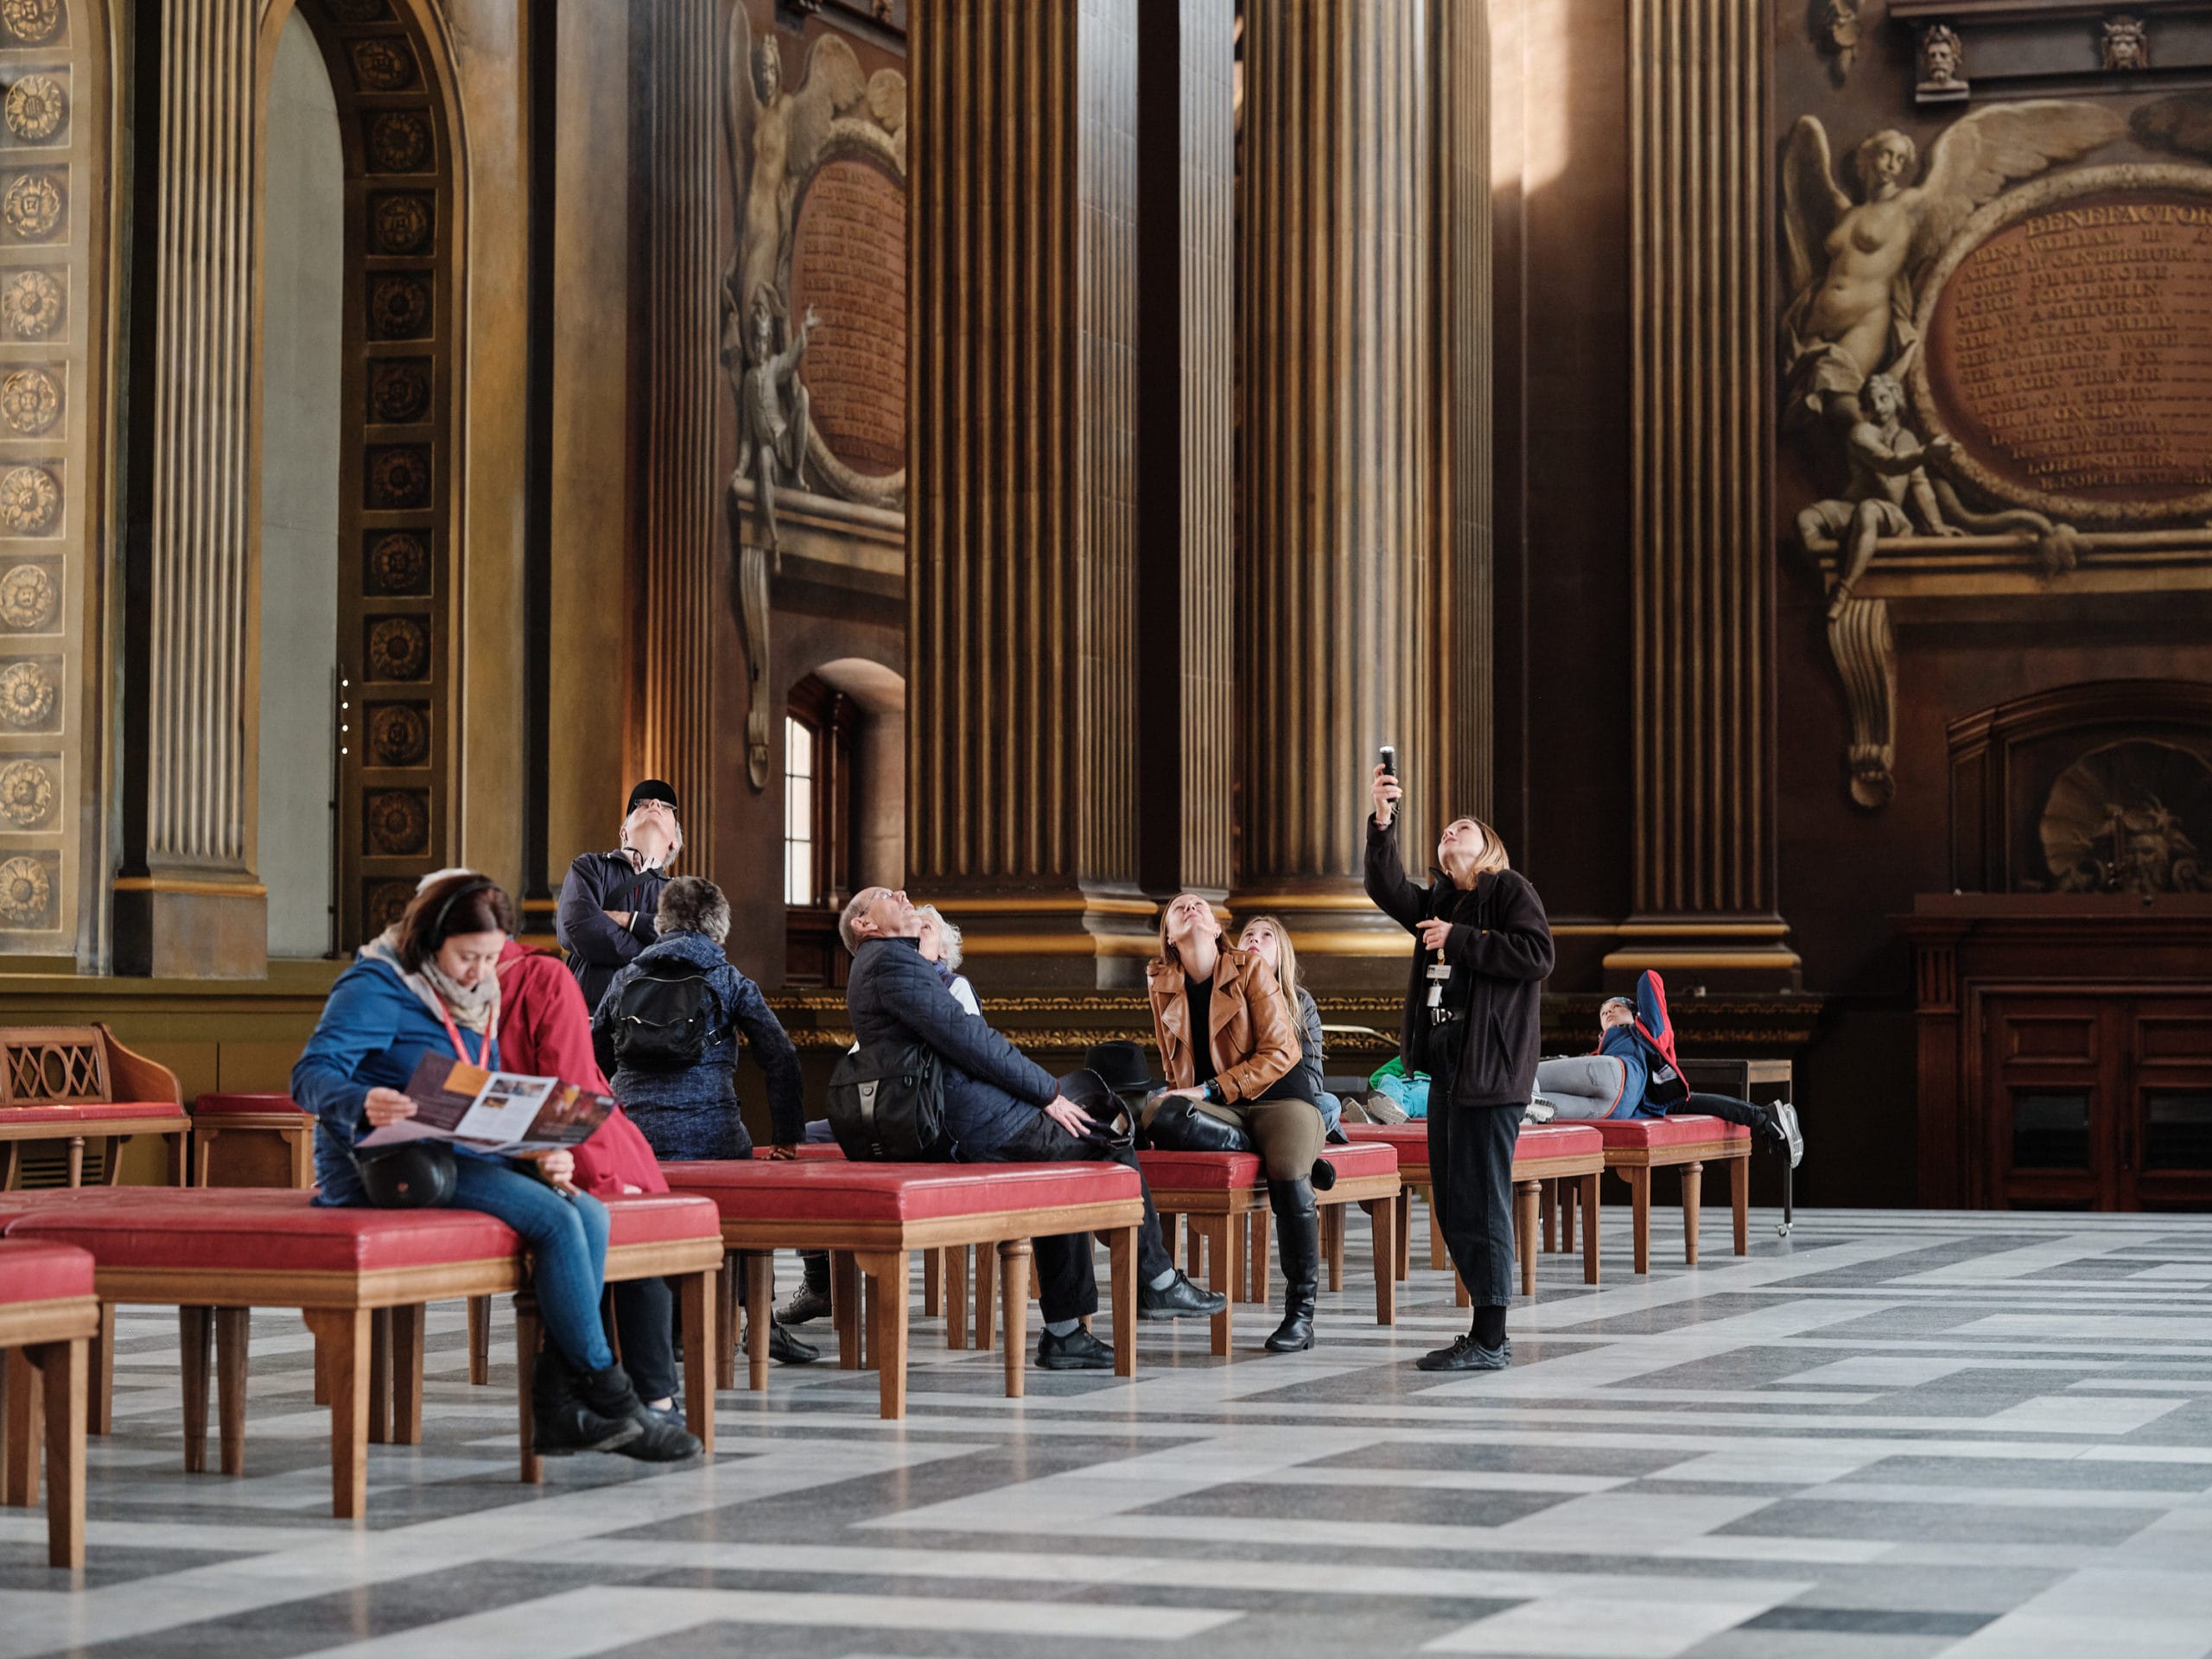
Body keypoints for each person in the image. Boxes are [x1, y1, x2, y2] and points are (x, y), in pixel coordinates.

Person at [290, 872, 698, 1461]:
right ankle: (612, 1397)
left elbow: (474, 1094)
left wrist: (537, 1147)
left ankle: (558, 1406)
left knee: (588, 1213)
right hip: (382, 1161)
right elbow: (308, 1075)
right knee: (556, 1222)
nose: (477, 972)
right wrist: (361, 1101)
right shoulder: (378, 985)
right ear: (429, 939)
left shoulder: (478, 993)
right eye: (465, 956)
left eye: (488, 958)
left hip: (454, 1151)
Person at [841, 886, 1226, 1370]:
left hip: (962, 1116)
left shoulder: (885, 962)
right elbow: (969, 1039)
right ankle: (1156, 1282)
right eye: (882, 894)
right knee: (1105, 1131)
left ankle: (1067, 1332)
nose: (899, 893)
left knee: (1071, 1144)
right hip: (972, 1122)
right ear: (864, 924)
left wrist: (1051, 1095)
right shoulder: (890, 962)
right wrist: (1047, 1095)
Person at [1364, 766, 1554, 1373]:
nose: (1450, 831)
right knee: (1451, 1202)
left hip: (1492, 1071)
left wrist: (1462, 937)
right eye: (1444, 831)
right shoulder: (1440, 900)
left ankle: (1492, 1339)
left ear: (1487, 847)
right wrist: (1383, 819)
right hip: (1446, 1072)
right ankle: (1481, 1331)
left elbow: (1537, 955)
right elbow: (1388, 888)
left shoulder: (1508, 889)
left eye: (1463, 828)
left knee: (1483, 1199)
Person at [595, 875, 818, 1365]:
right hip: (711, 1136)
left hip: (633, 1140)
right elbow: (780, 1057)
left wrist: (622, 1110)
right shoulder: (729, 979)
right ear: (719, 928)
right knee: (747, 1208)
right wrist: (786, 1137)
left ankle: (667, 1325)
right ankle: (761, 1322)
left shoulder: (626, 977)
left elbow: (594, 1052)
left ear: (663, 922)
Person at [1149, 895, 1331, 1354]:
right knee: (1158, 1112)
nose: (1191, 906)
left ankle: (1299, 1314)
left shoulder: (1249, 969)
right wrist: (1186, 1096)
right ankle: (1257, 1144)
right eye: (1178, 907)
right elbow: (1175, 1072)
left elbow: (1281, 1053)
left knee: (1288, 1169)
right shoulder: (1161, 984)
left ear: (1214, 928)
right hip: (1225, 1111)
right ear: (1170, 935)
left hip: (1279, 1098)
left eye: (1199, 905)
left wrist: (1207, 1092)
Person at [781, 899, 975, 1329]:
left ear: (941, 948)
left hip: (929, 1112)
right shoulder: (888, 982)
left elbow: (965, 1050)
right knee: (805, 1141)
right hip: (881, 1107)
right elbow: (863, 1057)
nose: (915, 933)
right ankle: (818, 1279)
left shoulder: (954, 987)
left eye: (925, 929)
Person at [557, 780, 683, 1074]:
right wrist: (651, 949)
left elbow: (686, 948)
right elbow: (578, 927)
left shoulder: (683, 891)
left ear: (674, 842)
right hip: (587, 1020)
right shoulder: (589, 868)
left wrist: (629, 920)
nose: (654, 804)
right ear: (624, 831)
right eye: (642, 804)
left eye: (665, 807)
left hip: (654, 1028)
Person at [1236, 914, 1344, 1141]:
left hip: (1285, 1103)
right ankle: (1277, 1139)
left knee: (1329, 1104)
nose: (1255, 940)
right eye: (1249, 935)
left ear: (1281, 954)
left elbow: (1313, 1080)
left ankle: (1253, 1137)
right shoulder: (1224, 995)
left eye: (1266, 935)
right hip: (1236, 1099)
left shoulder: (1301, 1003)